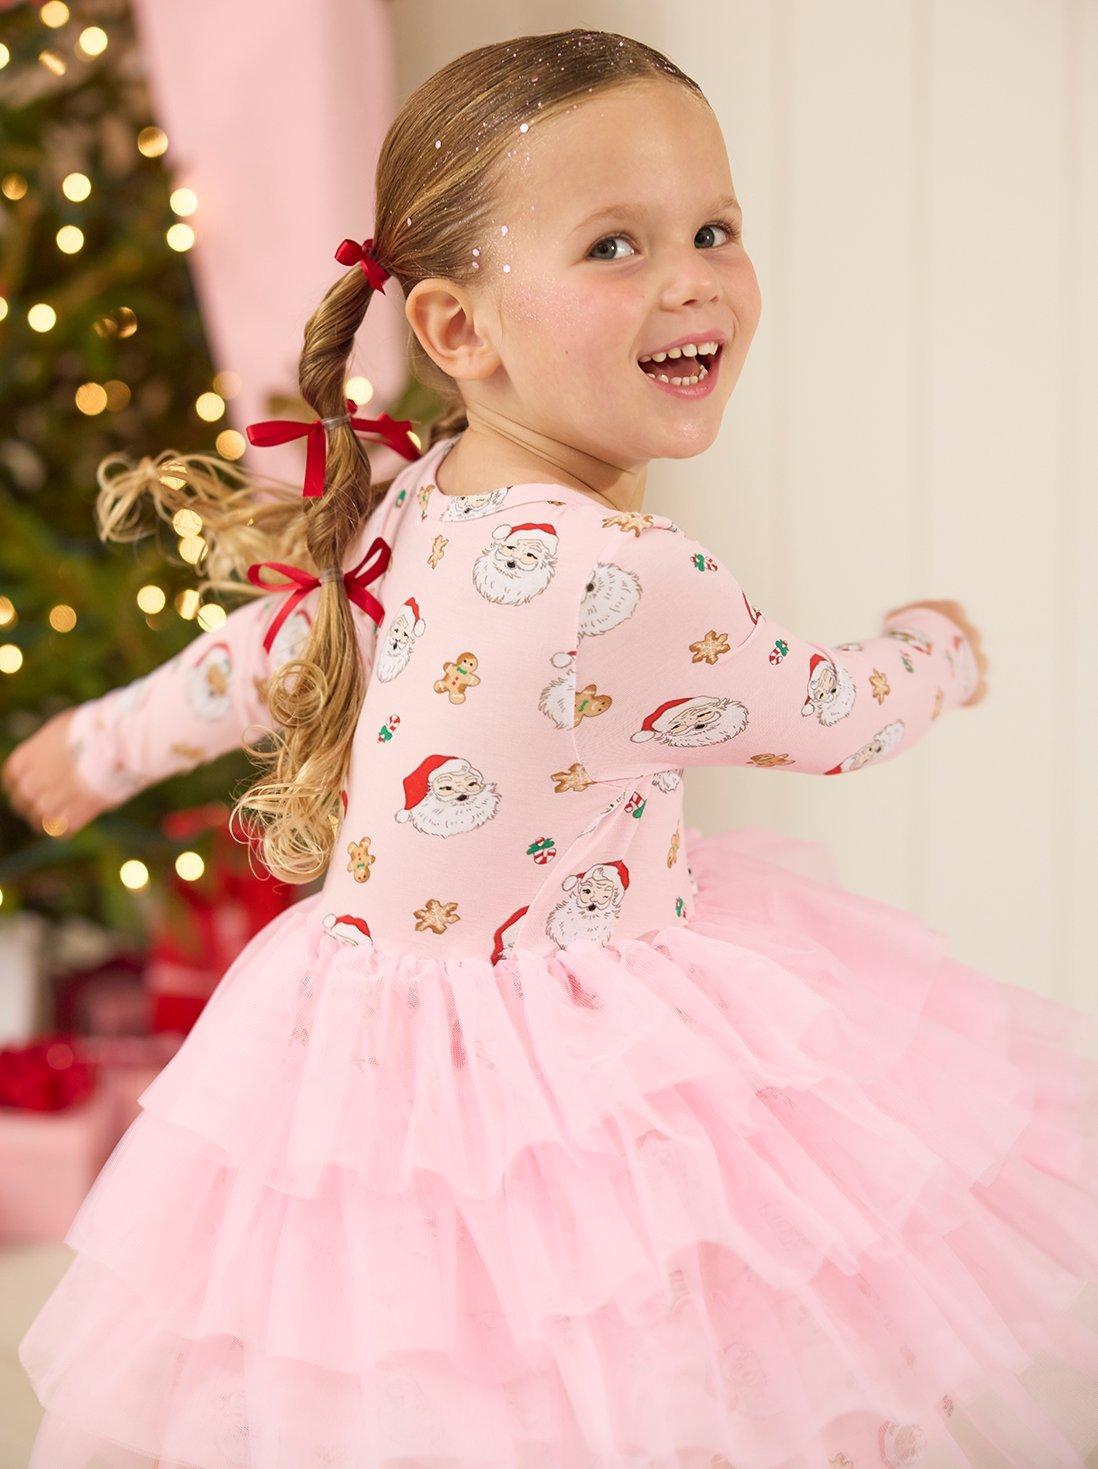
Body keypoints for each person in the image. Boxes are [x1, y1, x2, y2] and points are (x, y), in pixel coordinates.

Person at [7, 26, 1098, 1469]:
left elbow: (269, 651)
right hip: (568, 1073)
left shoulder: (416, 496)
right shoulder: (621, 576)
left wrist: (106, 739)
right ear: (458, 331)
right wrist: (935, 648)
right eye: (614, 245)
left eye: (712, 228)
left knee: (415, 1361)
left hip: (363, 1047)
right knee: (636, 1356)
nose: (691, 275)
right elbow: (826, 714)